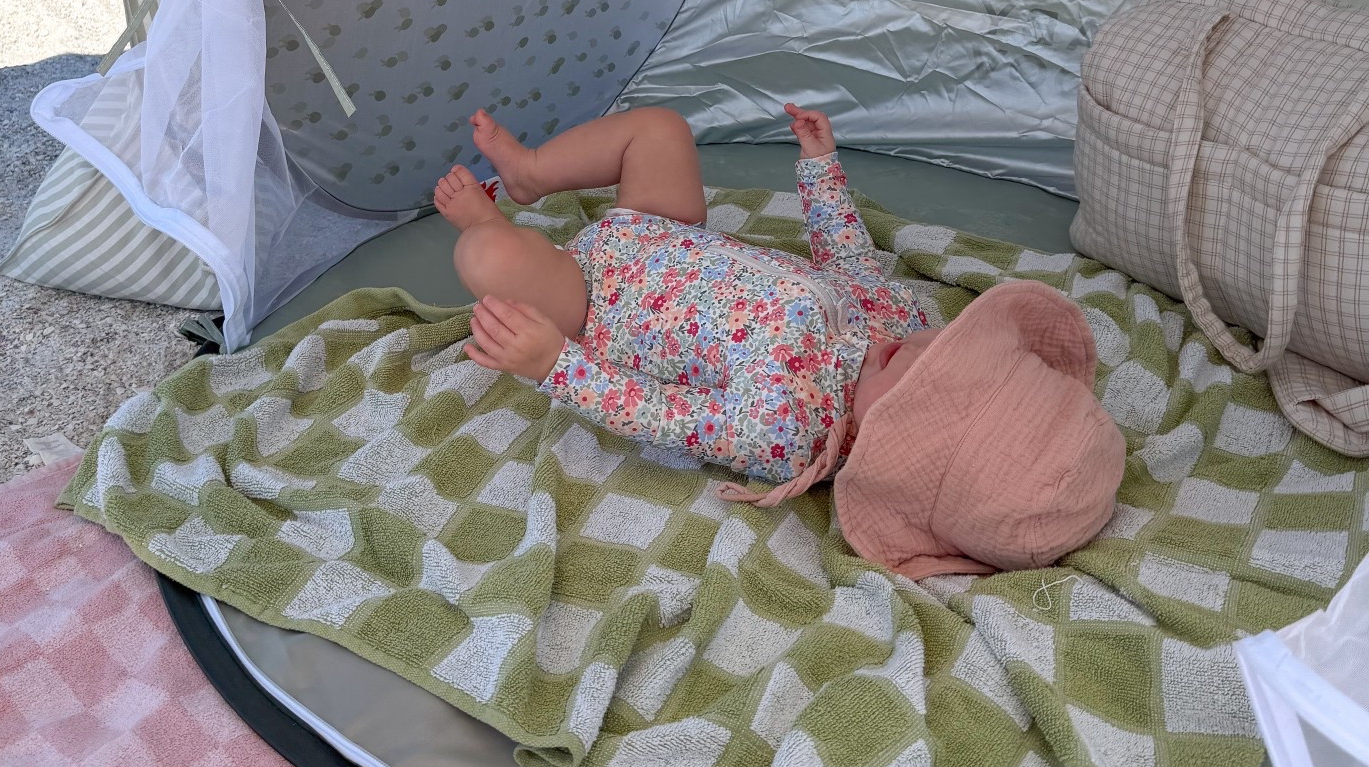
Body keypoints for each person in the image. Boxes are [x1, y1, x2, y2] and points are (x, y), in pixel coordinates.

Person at [435, 103, 1126, 579]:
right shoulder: (898, 325)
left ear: (894, 447)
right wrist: (821, 171)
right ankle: (532, 173)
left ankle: (487, 225)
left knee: (491, 263)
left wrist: (555, 363)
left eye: (921, 379)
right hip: (669, 230)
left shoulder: (787, 431)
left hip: (597, 305)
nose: (919, 349)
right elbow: (851, 261)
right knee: (660, 131)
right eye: (947, 346)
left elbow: (661, 414)